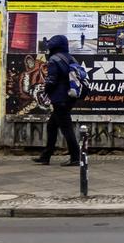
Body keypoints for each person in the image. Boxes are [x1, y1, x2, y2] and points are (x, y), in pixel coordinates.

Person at [33, 34, 85, 166]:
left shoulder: (54, 59)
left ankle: (75, 157)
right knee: (52, 126)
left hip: (60, 98)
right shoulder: (70, 58)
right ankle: (46, 156)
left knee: (66, 128)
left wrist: (46, 91)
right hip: (69, 97)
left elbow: (52, 79)